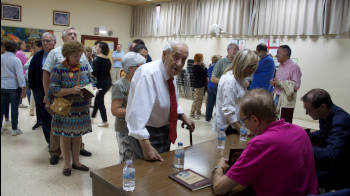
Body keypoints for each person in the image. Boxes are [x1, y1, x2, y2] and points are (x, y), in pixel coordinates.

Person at [212, 89, 318, 196]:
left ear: (255, 120)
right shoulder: (300, 131)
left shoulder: (260, 143)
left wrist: (219, 167)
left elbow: (219, 188)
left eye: (243, 121)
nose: (244, 125)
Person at [126, 41, 195, 161]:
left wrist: (183, 116)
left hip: (164, 132)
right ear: (164, 55)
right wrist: (146, 147)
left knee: (161, 170)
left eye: (183, 59)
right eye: (176, 57)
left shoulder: (170, 73)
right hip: (146, 136)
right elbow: (137, 115)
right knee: (146, 174)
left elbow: (171, 100)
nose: (179, 64)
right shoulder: (148, 74)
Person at [42, 27, 92, 165]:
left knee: (77, 136)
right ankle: (65, 164)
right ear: (67, 55)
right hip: (64, 107)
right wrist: (71, 90)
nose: (79, 58)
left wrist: (90, 93)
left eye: (80, 55)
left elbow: (89, 80)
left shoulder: (82, 65)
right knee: (63, 136)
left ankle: (77, 162)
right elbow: (53, 88)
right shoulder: (58, 67)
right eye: (76, 56)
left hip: (80, 108)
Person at [301, 88, 350, 189]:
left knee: (302, 175)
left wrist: (303, 149)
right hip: (333, 162)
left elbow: (330, 154)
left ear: (323, 106)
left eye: (309, 110)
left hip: (341, 170)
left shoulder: (340, 121)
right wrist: (301, 134)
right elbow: (323, 134)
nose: (306, 113)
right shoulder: (324, 115)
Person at [111, 52, 146, 162]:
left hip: (138, 127)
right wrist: (135, 111)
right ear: (131, 68)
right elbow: (115, 110)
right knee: (127, 158)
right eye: (140, 66)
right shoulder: (119, 85)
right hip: (124, 129)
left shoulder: (141, 82)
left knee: (138, 157)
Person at [215, 49, 258, 135]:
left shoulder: (240, 78)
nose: (252, 71)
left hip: (237, 123)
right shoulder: (229, 80)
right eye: (251, 68)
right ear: (242, 66)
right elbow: (228, 110)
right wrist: (242, 130)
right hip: (229, 127)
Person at [28, 32, 56, 144]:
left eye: (48, 41)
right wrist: (34, 90)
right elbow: (31, 73)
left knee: (60, 118)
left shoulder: (60, 55)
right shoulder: (37, 56)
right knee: (45, 117)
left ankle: (69, 145)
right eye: (43, 41)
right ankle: (51, 144)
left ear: (54, 42)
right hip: (40, 91)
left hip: (57, 91)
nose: (45, 43)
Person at [270, 45, 302, 123]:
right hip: (277, 96)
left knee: (284, 122)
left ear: (285, 53)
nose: (276, 55)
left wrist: (280, 83)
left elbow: (296, 86)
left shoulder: (294, 67)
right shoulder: (280, 65)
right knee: (274, 120)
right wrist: (275, 83)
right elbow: (279, 82)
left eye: (278, 53)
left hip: (287, 99)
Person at [1, 40, 26, 136]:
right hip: (13, 88)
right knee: (14, 108)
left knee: (2, 108)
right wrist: (23, 89)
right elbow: (20, 76)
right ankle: (14, 129)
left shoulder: (1, 57)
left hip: (2, 86)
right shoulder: (16, 60)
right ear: (15, 49)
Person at [91, 42, 112, 127]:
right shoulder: (107, 59)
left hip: (101, 84)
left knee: (100, 101)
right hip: (107, 82)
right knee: (98, 99)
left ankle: (105, 121)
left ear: (101, 49)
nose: (95, 48)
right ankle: (92, 118)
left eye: (97, 47)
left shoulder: (97, 59)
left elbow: (93, 73)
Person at [25, 40, 43, 129]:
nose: (34, 49)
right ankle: (39, 121)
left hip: (42, 85)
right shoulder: (34, 56)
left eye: (35, 48)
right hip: (35, 84)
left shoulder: (45, 55)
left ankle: (43, 121)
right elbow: (26, 66)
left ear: (40, 47)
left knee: (42, 105)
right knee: (38, 105)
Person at [189, 53, 207, 120]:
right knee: (196, 100)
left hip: (201, 85)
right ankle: (192, 113)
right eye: (202, 58)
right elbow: (205, 72)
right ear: (199, 59)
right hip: (198, 85)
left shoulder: (199, 66)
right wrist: (204, 67)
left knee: (200, 99)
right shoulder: (196, 66)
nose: (203, 59)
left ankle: (198, 112)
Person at [205, 55, 220, 122]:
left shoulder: (210, 67)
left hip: (210, 86)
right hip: (216, 86)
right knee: (218, 103)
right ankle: (218, 117)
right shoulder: (217, 67)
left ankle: (208, 118)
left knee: (210, 103)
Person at [16, 40, 30, 108]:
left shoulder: (16, 52)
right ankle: (20, 103)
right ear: (20, 45)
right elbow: (25, 63)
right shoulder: (20, 53)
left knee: (19, 88)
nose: (25, 46)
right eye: (24, 44)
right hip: (23, 73)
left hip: (19, 73)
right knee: (24, 88)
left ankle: (19, 102)